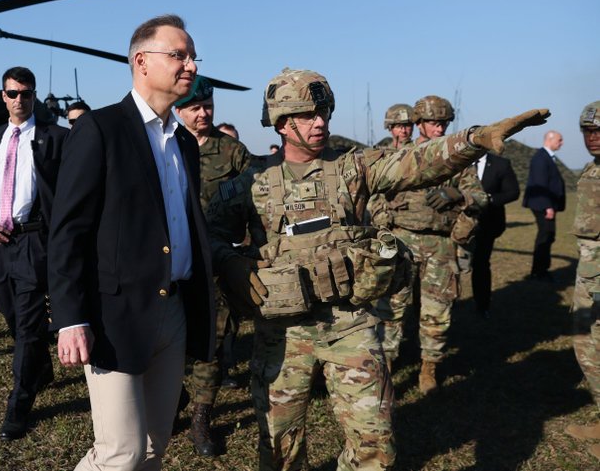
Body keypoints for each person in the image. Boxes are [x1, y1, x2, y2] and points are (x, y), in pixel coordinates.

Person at [206, 69, 547, 471]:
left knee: (376, 447)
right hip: (281, 336)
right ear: (282, 122)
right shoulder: (251, 182)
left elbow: (417, 162)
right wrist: (228, 262)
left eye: (324, 113)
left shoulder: (355, 168)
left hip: (351, 325)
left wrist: (472, 139)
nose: (321, 123)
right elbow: (208, 235)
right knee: (279, 448)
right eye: (308, 115)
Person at [47, 14, 215, 471]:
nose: (190, 66)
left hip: (174, 311)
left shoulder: (185, 143)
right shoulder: (100, 129)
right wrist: (70, 319)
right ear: (141, 61)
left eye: (192, 56)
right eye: (178, 55)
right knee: (121, 454)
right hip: (114, 315)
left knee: (154, 446)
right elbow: (68, 230)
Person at [0, 66, 68, 441]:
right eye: (12, 93)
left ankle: (19, 405)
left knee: (26, 325)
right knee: (10, 313)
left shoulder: (55, 138)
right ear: (2, 97)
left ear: (34, 95)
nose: (19, 100)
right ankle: (41, 367)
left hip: (33, 241)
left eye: (26, 93)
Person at [376, 95, 488, 393]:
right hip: (402, 239)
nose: (439, 129)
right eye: (433, 123)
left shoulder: (459, 157)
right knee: (391, 307)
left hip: (440, 244)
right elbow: (377, 195)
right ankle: (385, 366)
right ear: (419, 123)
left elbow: (481, 197)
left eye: (444, 124)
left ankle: (429, 368)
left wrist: (458, 196)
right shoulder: (402, 156)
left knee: (437, 310)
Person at [174, 77, 252, 456]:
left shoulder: (233, 152)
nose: (203, 113)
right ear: (178, 109)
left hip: (216, 260)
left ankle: (201, 418)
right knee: (170, 336)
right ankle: (173, 399)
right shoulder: (167, 146)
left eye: (208, 106)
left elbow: (256, 201)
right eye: (194, 107)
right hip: (170, 258)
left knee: (213, 338)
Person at [565, 101, 600, 461]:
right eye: (588, 131)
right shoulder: (593, 169)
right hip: (588, 273)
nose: (594, 137)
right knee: (584, 342)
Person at [471, 151, 520, 317]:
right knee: (453, 264)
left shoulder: (501, 164)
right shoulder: (460, 161)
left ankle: (482, 305)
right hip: (458, 224)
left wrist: (489, 199)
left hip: (487, 224)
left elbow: (513, 192)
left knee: (481, 264)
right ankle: (449, 302)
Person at [523, 130, 566, 281]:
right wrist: (548, 206)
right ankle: (539, 271)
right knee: (545, 236)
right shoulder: (541, 158)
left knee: (548, 235)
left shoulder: (546, 157)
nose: (561, 143)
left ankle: (541, 269)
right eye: (560, 140)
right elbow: (540, 185)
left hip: (546, 204)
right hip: (543, 205)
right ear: (550, 139)